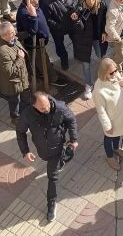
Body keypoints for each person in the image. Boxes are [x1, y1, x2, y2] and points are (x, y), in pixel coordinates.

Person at [15, 91, 79, 222]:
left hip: (56, 147)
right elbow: (20, 131)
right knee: (49, 160)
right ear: (34, 106)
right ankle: (61, 161)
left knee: (52, 176)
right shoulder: (27, 114)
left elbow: (71, 120)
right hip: (42, 150)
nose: (47, 109)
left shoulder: (60, 107)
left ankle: (51, 204)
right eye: (43, 109)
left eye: (48, 105)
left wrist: (74, 139)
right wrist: (25, 151)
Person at [91, 59, 123, 172]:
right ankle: (110, 157)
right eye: (111, 73)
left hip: (120, 113)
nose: (115, 74)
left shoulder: (114, 75)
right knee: (109, 137)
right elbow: (101, 111)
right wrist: (107, 125)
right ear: (104, 73)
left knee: (118, 133)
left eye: (115, 70)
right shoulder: (99, 90)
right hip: (111, 117)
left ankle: (116, 149)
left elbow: (119, 80)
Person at [0, 21, 29, 123]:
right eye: (12, 32)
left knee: (20, 98)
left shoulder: (8, 39)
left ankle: (22, 111)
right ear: (4, 35)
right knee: (14, 100)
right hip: (12, 83)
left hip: (17, 79)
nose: (15, 33)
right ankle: (15, 117)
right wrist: (20, 58)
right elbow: (10, 71)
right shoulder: (2, 52)